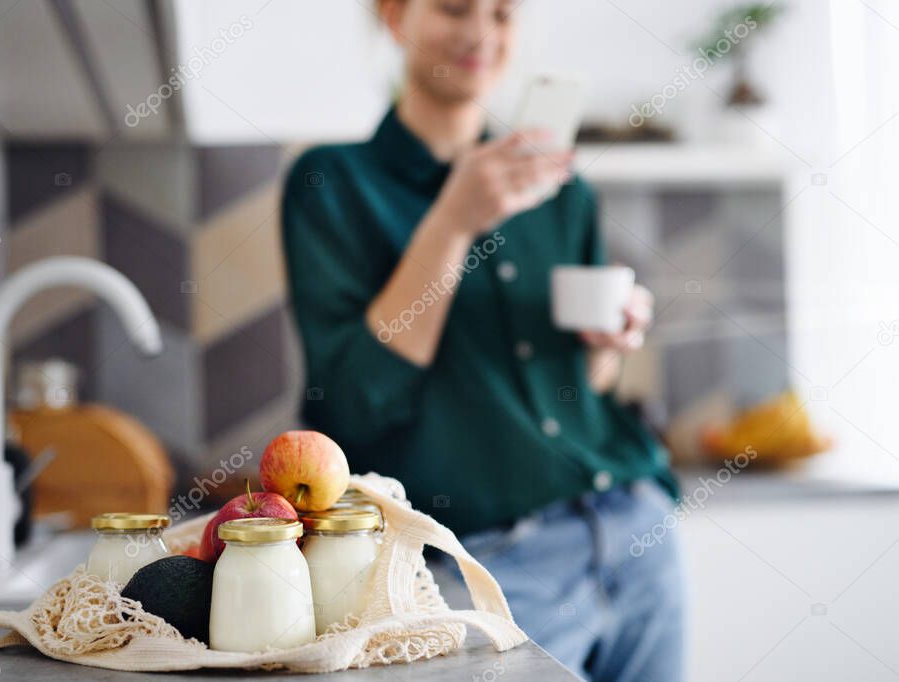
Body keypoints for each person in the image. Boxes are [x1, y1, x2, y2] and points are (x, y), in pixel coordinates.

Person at [280, 1, 684, 680]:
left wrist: (608, 340)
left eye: (501, 13)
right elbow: (353, 406)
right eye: (455, 8)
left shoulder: (559, 188)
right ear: (393, 17)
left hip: (634, 531)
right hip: (483, 571)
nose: (481, 33)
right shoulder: (331, 183)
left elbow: (588, 387)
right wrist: (452, 222)